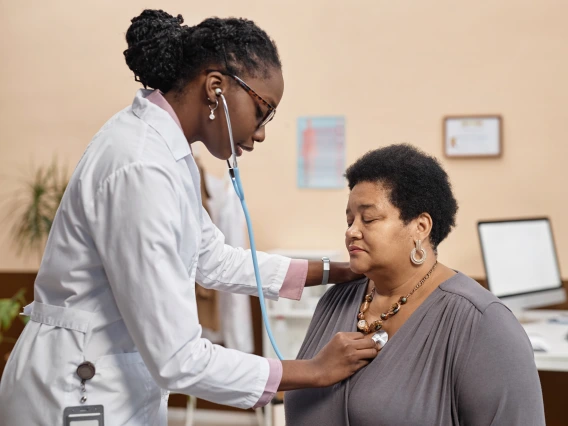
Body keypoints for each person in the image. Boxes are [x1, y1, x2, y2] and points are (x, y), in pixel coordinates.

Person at [0, 10, 378, 425]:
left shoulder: (168, 154)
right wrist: (313, 370)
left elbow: (211, 258)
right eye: (262, 110)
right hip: (74, 391)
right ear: (216, 88)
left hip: (110, 382)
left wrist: (332, 270)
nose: (262, 131)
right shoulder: (142, 166)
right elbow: (178, 357)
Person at [285, 144, 545, 425]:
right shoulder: (335, 301)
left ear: (420, 227)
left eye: (368, 218)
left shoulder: (482, 323)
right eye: (349, 220)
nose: (351, 231)